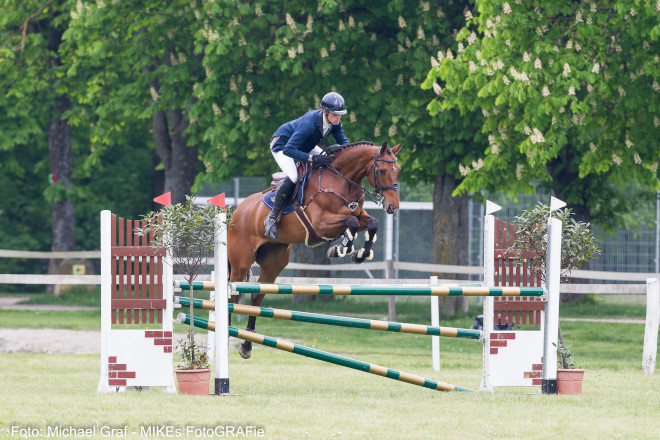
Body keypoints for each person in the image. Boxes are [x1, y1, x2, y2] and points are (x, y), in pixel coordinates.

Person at [264, 91, 350, 239]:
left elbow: (345, 144)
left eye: (340, 114)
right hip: (282, 145)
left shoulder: (335, 122)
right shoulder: (309, 123)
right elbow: (289, 150)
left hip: (305, 145)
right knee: (293, 176)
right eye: (335, 114)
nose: (338, 117)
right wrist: (313, 159)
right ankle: (272, 217)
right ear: (325, 111)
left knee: (328, 162)